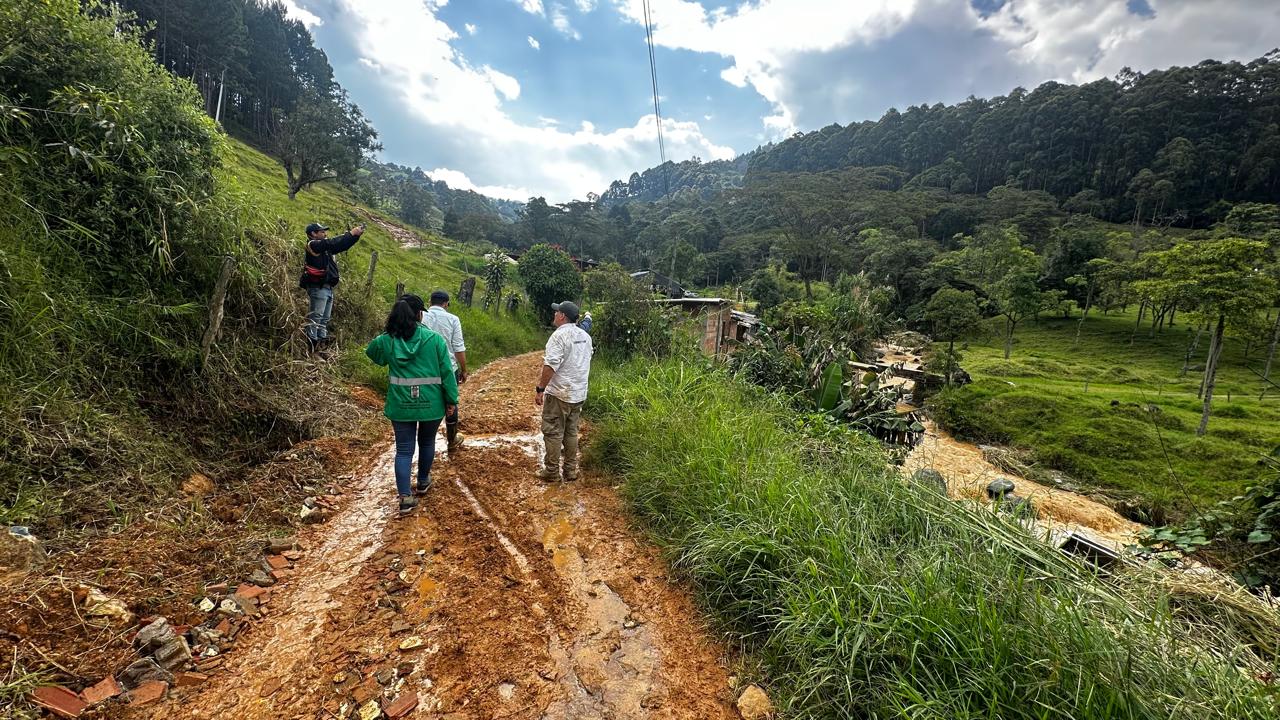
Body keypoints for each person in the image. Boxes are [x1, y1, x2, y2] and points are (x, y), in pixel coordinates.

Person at [365, 294, 459, 515]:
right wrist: (451, 400)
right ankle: (424, 481)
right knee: (427, 442)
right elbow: (447, 373)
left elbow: (373, 354)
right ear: (419, 315)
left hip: (401, 404)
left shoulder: (387, 340)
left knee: (404, 450)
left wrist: (389, 333)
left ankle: (405, 497)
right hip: (431, 404)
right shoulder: (434, 340)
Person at [535, 300, 593, 481]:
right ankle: (570, 470)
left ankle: (551, 472)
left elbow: (550, 365)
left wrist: (541, 388)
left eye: (556, 312)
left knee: (553, 431)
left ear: (562, 316)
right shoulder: (585, 337)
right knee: (571, 432)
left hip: (559, 393)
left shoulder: (559, 336)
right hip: (578, 393)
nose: (554, 314)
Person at [299, 221, 365, 352]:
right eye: (322, 231)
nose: (325, 233)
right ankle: (311, 350)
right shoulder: (313, 244)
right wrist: (351, 233)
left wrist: (355, 236)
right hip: (318, 287)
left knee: (324, 320)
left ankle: (320, 349)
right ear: (313, 234)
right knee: (316, 319)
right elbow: (332, 242)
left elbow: (341, 245)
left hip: (327, 288)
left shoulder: (324, 247)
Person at [420, 290, 467, 456]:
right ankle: (452, 439)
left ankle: (425, 441)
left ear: (429, 301)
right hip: (448, 368)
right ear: (446, 303)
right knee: (451, 402)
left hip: (424, 369)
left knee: (425, 402)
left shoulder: (422, 317)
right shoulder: (453, 319)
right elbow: (458, 347)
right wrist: (464, 369)